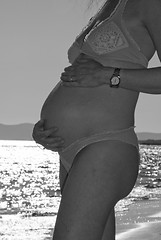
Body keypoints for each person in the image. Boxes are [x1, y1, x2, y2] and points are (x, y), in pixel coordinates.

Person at [32, 0, 161, 239]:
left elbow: (100, 74)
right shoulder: (111, 3)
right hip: (71, 152)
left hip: (105, 147)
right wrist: (44, 129)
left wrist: (109, 76)